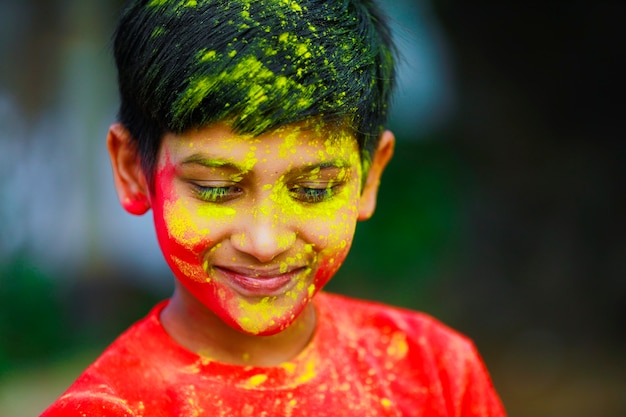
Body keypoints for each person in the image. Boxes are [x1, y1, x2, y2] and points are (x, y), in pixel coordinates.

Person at [42, 0, 506, 415]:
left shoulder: (435, 372)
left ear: (369, 178)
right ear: (131, 170)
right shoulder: (109, 408)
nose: (264, 243)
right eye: (216, 188)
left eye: (314, 190)